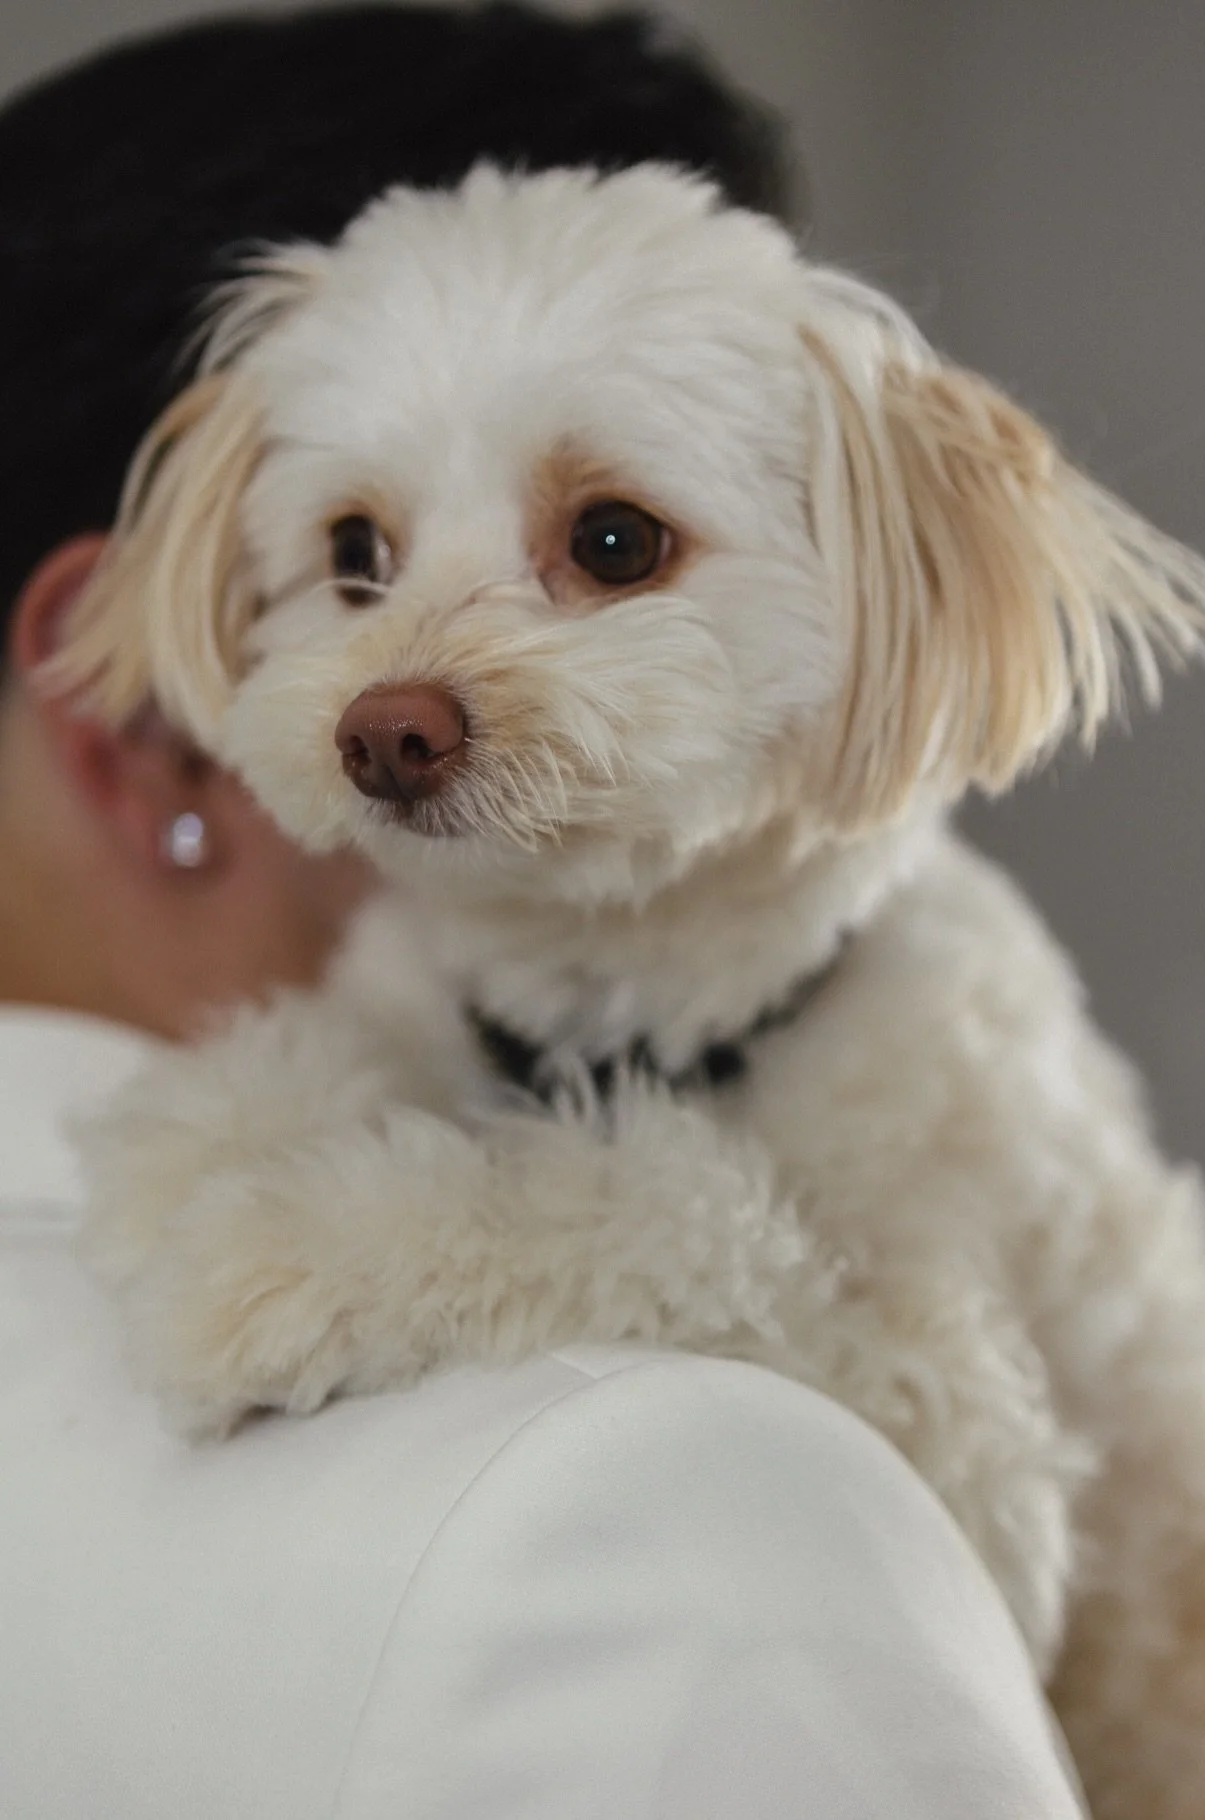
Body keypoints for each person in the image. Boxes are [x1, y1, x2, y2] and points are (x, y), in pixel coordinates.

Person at [0, 8, 1085, 1814]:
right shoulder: (665, 1503)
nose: (408, 690)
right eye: (357, 560)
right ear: (149, 725)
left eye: (607, 546)